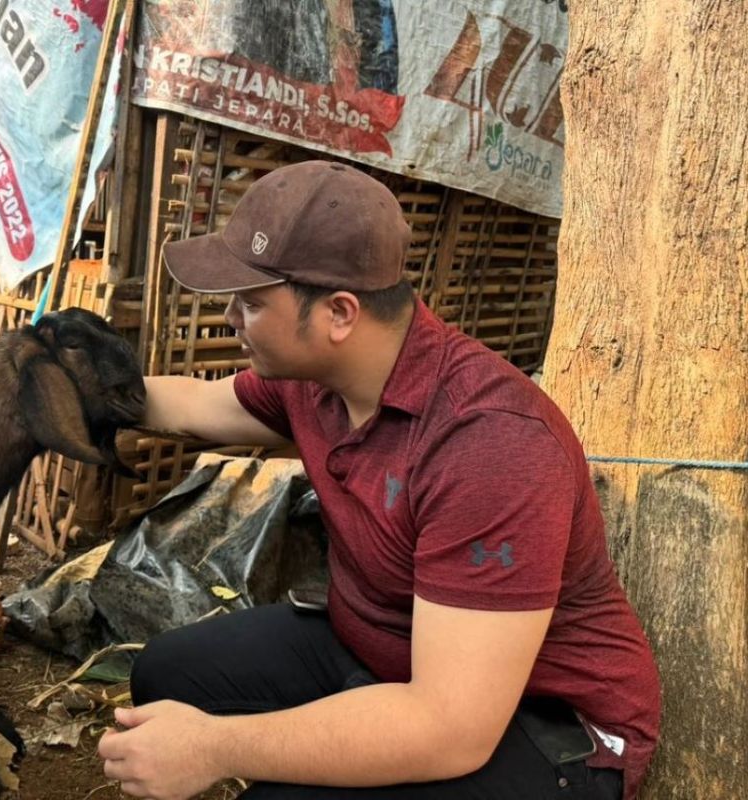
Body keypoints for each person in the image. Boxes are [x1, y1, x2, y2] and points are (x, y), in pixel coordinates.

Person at [97, 160, 660, 800]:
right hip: (385, 650)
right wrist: (77, 388)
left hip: (543, 723)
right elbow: (198, 406)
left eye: (252, 302)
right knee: (168, 674)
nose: (230, 318)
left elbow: (451, 726)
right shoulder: (315, 382)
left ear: (339, 313)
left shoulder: (489, 444)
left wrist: (215, 747)